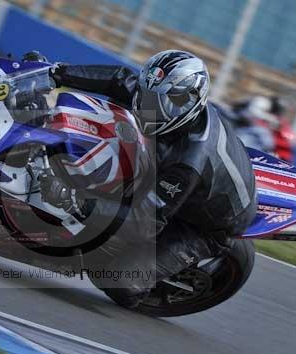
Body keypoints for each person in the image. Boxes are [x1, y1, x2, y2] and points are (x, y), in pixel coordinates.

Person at [39, 50, 258, 306]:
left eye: (159, 101)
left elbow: (144, 221)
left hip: (201, 224)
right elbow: (120, 80)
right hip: (174, 176)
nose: (148, 107)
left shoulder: (188, 162)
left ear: (188, 101)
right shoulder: (168, 106)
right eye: (148, 96)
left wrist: (76, 201)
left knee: (116, 280)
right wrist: (55, 73)